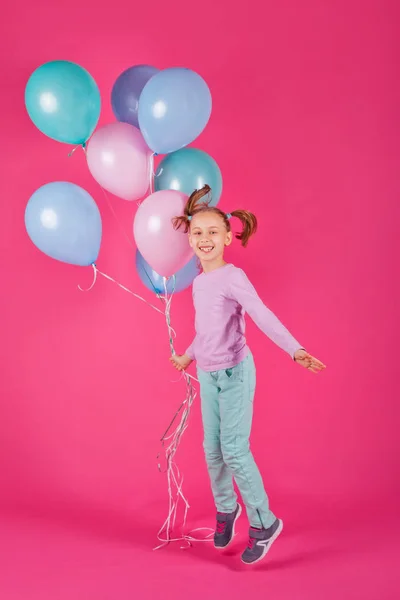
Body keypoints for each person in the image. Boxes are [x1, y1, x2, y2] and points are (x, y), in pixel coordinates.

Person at [170, 185, 325, 565]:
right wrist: (188, 356)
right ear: (189, 240)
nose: (204, 239)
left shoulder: (232, 276)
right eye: (197, 233)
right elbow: (207, 329)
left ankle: (264, 522)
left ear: (227, 237)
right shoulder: (200, 282)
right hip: (208, 374)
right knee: (212, 451)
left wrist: (294, 349)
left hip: (235, 373)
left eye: (212, 233)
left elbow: (260, 313)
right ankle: (227, 511)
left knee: (234, 450)